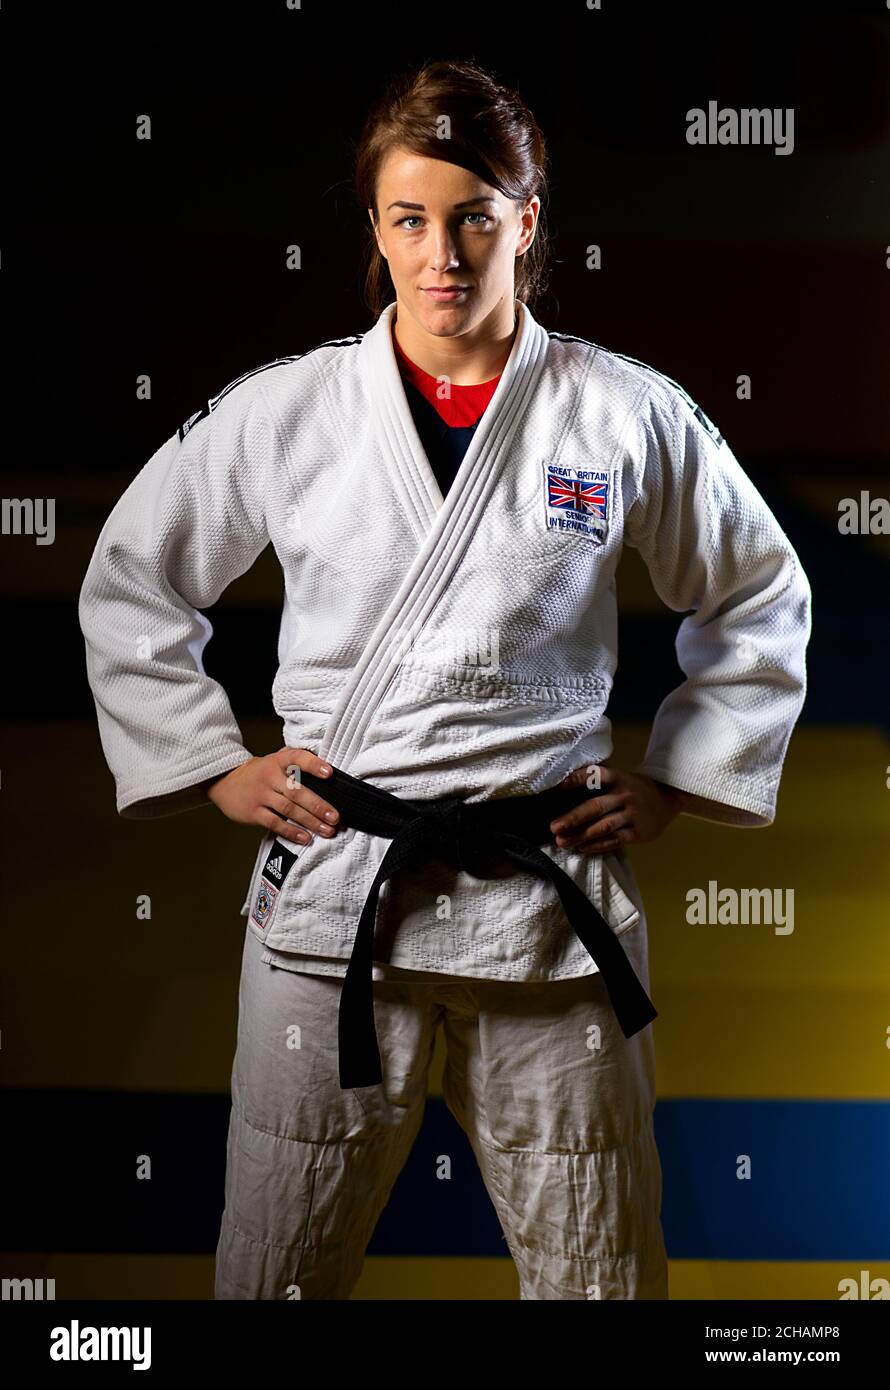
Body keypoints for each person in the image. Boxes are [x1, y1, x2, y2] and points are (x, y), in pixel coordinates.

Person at [78, 59, 812, 1301]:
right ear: (372, 225)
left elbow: (756, 589)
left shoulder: (620, 412)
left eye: (475, 217)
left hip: (544, 903)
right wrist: (212, 764)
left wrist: (678, 781)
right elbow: (132, 573)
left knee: (598, 1268)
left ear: (526, 222)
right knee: (276, 1266)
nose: (443, 255)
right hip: (334, 899)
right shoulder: (292, 409)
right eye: (409, 219)